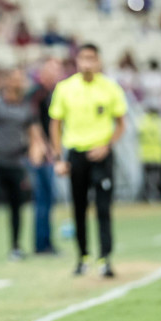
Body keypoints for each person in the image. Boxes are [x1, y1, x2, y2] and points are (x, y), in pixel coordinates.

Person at [50, 43, 128, 277]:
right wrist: (59, 158)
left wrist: (107, 145)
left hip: (102, 155)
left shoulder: (110, 88)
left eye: (91, 58)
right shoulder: (65, 88)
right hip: (76, 155)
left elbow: (121, 123)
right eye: (83, 58)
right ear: (77, 61)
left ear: (98, 61)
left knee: (104, 207)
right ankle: (82, 256)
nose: (87, 62)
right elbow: (55, 123)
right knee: (79, 207)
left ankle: (105, 258)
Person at [0, 69, 45, 262]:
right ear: (7, 82)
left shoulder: (26, 108)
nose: (18, 83)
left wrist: (35, 151)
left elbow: (34, 133)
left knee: (17, 206)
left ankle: (15, 247)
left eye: (20, 79)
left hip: (16, 164)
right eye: (14, 79)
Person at [27, 57, 64, 254]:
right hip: (40, 153)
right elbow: (33, 122)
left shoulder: (52, 93)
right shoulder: (37, 93)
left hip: (49, 152)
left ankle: (46, 242)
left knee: (48, 199)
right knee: (43, 198)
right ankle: (41, 244)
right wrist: (45, 146)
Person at [138, 108, 161, 202]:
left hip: (145, 155)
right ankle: (156, 196)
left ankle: (147, 196)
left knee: (147, 178)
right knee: (156, 178)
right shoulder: (159, 123)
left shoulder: (142, 122)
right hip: (158, 155)